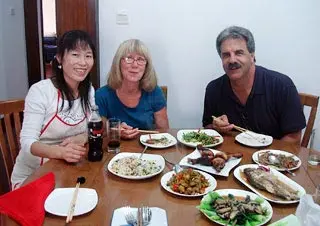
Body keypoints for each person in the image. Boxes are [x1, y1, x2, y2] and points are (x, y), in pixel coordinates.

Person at [11, 30, 96, 188]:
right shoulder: (41, 91)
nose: (83, 62)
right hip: (34, 176)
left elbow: (93, 126)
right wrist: (60, 152)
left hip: (69, 170)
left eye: (88, 56)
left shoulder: (88, 90)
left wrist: (84, 137)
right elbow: (27, 142)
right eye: (75, 55)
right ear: (59, 58)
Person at [202, 26, 306, 143]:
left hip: (272, 158)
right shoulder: (213, 89)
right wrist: (216, 127)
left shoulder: (281, 86)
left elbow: (294, 137)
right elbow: (207, 129)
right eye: (226, 55)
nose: (232, 60)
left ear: (252, 56)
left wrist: (264, 158)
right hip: (231, 158)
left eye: (239, 53)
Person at [95, 39, 169, 139]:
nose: (135, 65)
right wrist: (115, 130)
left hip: (148, 149)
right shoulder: (101, 95)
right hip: (115, 150)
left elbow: (164, 133)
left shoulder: (155, 92)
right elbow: (100, 133)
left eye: (140, 59)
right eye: (129, 58)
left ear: (146, 66)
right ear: (118, 63)